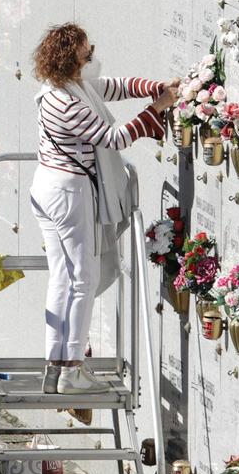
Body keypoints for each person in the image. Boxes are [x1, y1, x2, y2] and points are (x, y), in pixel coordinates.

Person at [29, 23, 175, 394]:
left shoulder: (66, 87)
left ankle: (55, 365)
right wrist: (157, 108)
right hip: (68, 192)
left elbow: (113, 86)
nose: (92, 54)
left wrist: (153, 87)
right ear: (70, 59)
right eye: (86, 51)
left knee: (63, 277)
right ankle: (72, 368)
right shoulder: (66, 103)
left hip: (51, 187)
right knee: (84, 278)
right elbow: (113, 138)